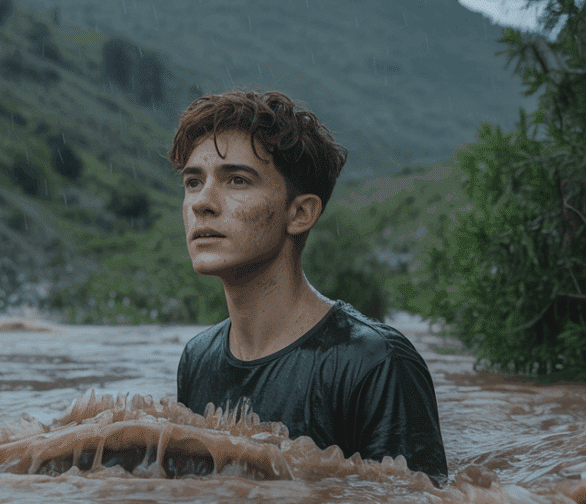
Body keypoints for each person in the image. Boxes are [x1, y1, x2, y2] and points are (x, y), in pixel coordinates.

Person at [169, 90, 448, 481]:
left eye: (236, 180)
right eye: (193, 182)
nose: (202, 203)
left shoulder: (375, 362)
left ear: (300, 213)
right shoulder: (198, 360)